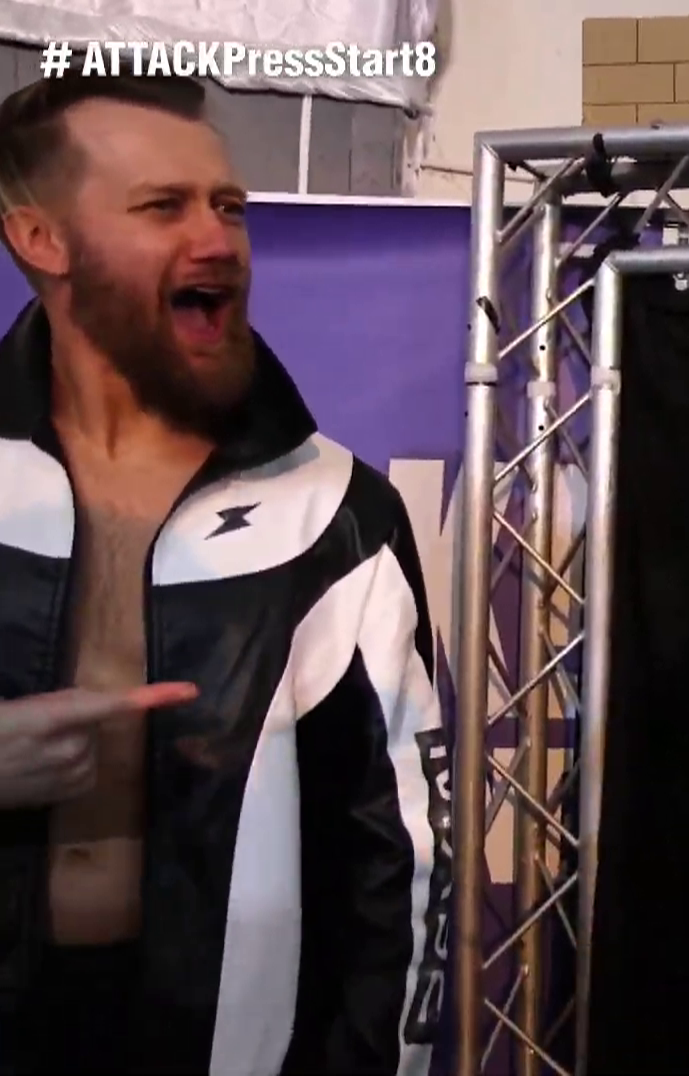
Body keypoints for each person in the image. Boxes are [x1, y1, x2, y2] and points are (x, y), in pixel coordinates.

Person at [0, 73, 449, 1073]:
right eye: (164, 207)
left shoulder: (335, 514)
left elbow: (401, 861)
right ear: (41, 239)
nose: (218, 241)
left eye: (229, 206)